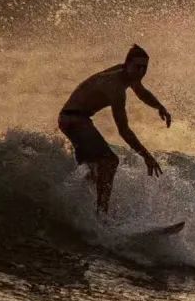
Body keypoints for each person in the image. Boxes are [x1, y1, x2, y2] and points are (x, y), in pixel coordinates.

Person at [57, 44, 171, 213]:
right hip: (74, 120)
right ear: (127, 65)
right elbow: (123, 130)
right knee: (110, 162)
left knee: (95, 171)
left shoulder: (127, 75)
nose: (141, 71)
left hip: (75, 119)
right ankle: (102, 215)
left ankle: (78, 208)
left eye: (144, 68)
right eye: (137, 67)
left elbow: (141, 92)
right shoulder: (116, 87)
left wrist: (159, 106)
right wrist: (146, 156)